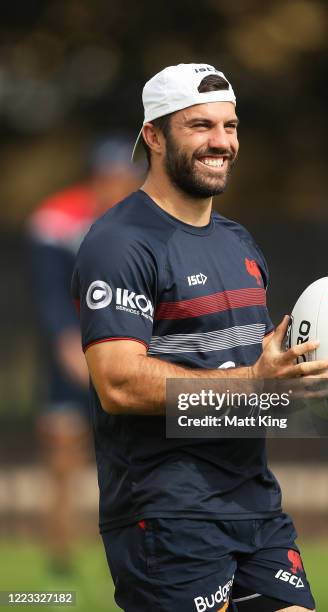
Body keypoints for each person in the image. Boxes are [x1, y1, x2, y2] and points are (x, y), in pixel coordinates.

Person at [72, 64, 328, 611]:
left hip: (254, 506)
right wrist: (252, 383)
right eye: (200, 126)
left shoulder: (239, 241)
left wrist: (293, 383)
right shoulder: (120, 243)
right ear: (153, 135)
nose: (222, 142)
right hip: (168, 513)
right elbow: (117, 384)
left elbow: (253, 384)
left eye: (230, 126)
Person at [28, 137, 146, 572]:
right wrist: (68, 347)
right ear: (96, 179)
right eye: (112, 179)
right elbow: (50, 297)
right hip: (71, 361)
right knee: (63, 455)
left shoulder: (144, 225)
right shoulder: (56, 221)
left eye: (126, 180)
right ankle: (60, 557)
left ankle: (136, 549)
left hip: (125, 354)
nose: (119, 188)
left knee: (136, 456)